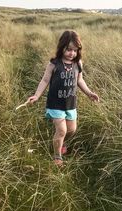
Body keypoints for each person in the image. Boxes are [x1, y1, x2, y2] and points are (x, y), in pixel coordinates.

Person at [26, 30, 99, 166]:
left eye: (75, 50)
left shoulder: (78, 64)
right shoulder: (54, 64)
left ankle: (60, 140)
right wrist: (36, 95)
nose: (72, 53)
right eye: (68, 49)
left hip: (70, 104)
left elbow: (80, 80)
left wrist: (89, 93)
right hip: (55, 104)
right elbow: (45, 80)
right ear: (62, 48)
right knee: (62, 130)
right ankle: (57, 156)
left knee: (71, 130)